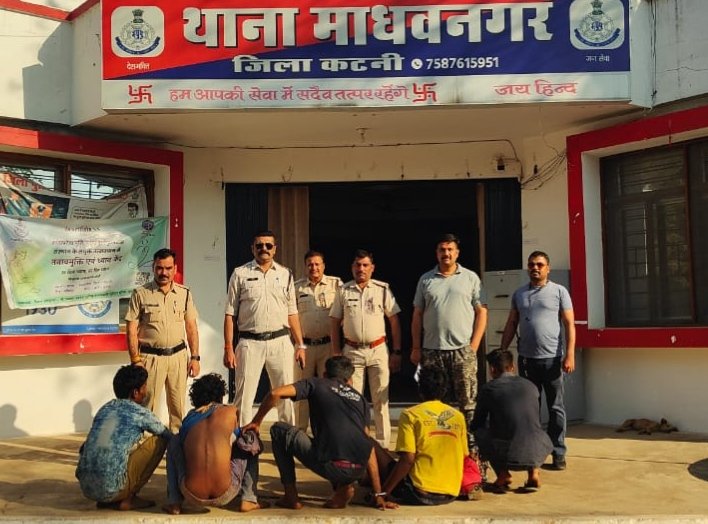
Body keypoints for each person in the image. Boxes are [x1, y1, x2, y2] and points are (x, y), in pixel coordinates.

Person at [244, 356, 393, 510]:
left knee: (279, 430)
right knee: (341, 441)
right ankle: (343, 488)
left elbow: (275, 393)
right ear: (350, 380)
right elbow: (368, 445)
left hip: (332, 466)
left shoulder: (316, 383)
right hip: (357, 470)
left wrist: (256, 422)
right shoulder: (361, 400)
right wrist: (378, 494)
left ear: (324, 374)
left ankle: (291, 496)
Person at [500, 250, 576, 470]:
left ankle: (558, 453)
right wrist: (502, 351)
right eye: (532, 264)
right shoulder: (519, 294)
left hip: (552, 360)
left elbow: (569, 324)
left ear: (548, 268)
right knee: (530, 409)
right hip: (527, 361)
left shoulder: (559, 292)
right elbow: (512, 323)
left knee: (555, 408)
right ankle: (533, 453)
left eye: (540, 265)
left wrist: (570, 354)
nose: (535, 268)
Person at [223, 230, 306, 426]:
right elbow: (230, 314)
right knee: (244, 397)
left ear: (275, 249)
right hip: (250, 343)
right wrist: (228, 347)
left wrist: (300, 345)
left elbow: (292, 313)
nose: (264, 249)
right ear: (252, 248)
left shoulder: (285, 274)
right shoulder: (240, 273)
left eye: (268, 245)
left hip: (280, 342)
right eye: (259, 245)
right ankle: (242, 439)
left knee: (285, 395)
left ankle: (286, 437)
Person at [411, 233, 487, 445]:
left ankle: (471, 449)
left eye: (450, 249)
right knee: (434, 404)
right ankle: (437, 446)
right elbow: (417, 315)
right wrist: (416, 347)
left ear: (457, 253)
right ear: (437, 253)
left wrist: (474, 346)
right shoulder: (426, 279)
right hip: (432, 350)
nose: (446, 253)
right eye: (442, 250)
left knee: (468, 404)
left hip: (462, 350)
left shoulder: (471, 278)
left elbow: (482, 312)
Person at [329, 249, 402, 448]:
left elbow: (394, 321)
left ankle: (383, 446)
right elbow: (334, 322)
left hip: (378, 350)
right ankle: (356, 443)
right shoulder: (343, 291)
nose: (361, 269)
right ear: (352, 267)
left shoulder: (382, 289)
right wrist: (336, 352)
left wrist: (396, 351)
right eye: (357, 265)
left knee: (381, 400)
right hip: (352, 351)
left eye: (365, 265)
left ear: (372, 268)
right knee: (353, 399)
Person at [163, 373, 263, 514]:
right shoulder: (231, 411)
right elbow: (237, 440)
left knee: (174, 440)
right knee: (248, 437)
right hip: (226, 492)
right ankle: (249, 499)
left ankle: (174, 502)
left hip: (191, 493)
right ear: (221, 396)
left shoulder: (189, 418)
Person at [75, 365, 171, 510]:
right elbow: (167, 434)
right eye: (144, 387)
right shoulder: (138, 412)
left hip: (87, 489)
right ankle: (128, 498)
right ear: (135, 392)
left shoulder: (105, 408)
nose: (146, 391)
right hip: (111, 490)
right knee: (160, 440)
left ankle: (108, 496)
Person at [126, 248, 200, 432]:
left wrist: (195, 357)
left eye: (168, 268)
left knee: (177, 407)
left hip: (178, 357)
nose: (164, 272)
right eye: (159, 268)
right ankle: (145, 444)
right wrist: (135, 360)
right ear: (153, 267)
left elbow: (191, 327)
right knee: (146, 406)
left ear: (175, 269)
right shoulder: (141, 293)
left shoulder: (184, 293)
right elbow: (131, 329)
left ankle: (176, 443)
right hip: (150, 359)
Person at [371, 365, 468, 506]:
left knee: (370, 444)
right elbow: (464, 454)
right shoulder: (458, 416)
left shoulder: (410, 414)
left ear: (420, 390)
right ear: (445, 390)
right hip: (450, 493)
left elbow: (408, 459)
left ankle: (376, 489)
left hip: (418, 493)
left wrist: (383, 493)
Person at [471, 349, 553, 492]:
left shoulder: (489, 389)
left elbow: (478, 422)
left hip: (509, 451)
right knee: (528, 426)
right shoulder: (530, 385)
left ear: (492, 369)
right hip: (540, 446)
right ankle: (533, 473)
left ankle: (503, 475)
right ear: (513, 366)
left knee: (479, 432)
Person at [294, 249, 342, 431]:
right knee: (301, 391)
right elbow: (291, 317)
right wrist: (298, 344)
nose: (313, 267)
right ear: (305, 267)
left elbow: (344, 314)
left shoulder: (336, 285)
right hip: (304, 347)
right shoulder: (297, 288)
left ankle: (327, 432)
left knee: (327, 391)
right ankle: (300, 433)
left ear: (324, 266)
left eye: (317, 264)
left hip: (328, 346)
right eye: (310, 264)